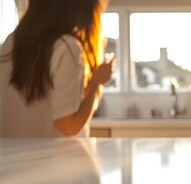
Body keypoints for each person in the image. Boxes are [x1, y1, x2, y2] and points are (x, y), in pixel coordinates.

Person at [0, 0, 114, 137]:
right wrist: (96, 83)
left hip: (13, 156)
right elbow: (68, 126)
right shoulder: (66, 46)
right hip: (55, 156)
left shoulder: (10, 42)